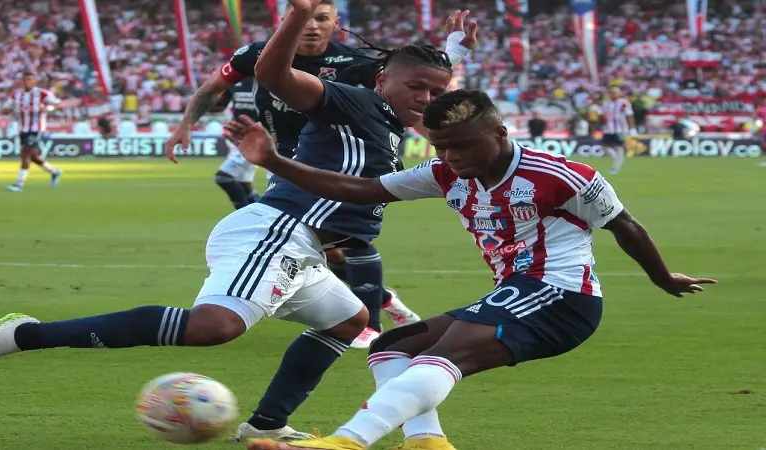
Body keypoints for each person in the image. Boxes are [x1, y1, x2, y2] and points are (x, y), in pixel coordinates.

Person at [0, 0, 474, 445]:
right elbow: (276, 78)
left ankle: (267, 425)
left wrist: (454, 45)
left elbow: (435, 81)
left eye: (436, 92)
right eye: (417, 89)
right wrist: (297, 17)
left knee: (349, 321)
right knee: (215, 327)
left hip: (306, 250)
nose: (427, 100)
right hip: (277, 230)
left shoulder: (391, 121)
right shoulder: (355, 101)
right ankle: (21, 336)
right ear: (382, 81)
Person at [220, 89, 718, 450]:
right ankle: (425, 442)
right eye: (441, 146)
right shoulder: (443, 173)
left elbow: (625, 225)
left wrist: (663, 277)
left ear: (499, 133)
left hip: (561, 297)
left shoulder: (560, 174)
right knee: (393, 345)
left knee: (447, 351)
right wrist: (274, 161)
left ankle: (349, 443)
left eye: (463, 145)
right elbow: (362, 190)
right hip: (519, 292)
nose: (452, 157)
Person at [163, 0, 448, 350]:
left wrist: (441, 135)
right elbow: (212, 89)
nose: (312, 26)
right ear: (285, 19)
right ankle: (377, 308)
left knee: (344, 237)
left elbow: (411, 88)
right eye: (304, 16)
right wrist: (185, 125)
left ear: (335, 23)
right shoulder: (256, 54)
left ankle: (371, 319)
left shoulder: (352, 62)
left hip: (328, 160)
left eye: (322, 18)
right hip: (277, 156)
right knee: (323, 245)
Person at [3, 72, 64, 192]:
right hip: (22, 128)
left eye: (29, 80)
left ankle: (19, 184)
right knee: (34, 157)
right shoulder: (16, 94)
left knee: (25, 153)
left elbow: (60, 105)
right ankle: (54, 172)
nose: (26, 82)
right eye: (24, 80)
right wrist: (7, 109)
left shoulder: (42, 94)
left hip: (36, 129)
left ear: (34, 82)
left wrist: (47, 108)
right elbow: (5, 108)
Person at [214, 77, 263, 209]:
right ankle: (257, 210)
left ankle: (243, 214)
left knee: (223, 177)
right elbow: (219, 105)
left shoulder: (268, 82)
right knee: (243, 184)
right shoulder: (235, 84)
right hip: (237, 140)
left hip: (257, 140)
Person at [600, 87, 636, 175]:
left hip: (620, 128)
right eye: (611, 92)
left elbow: (629, 115)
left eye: (614, 92)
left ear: (619, 94)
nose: (612, 94)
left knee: (619, 147)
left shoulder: (624, 103)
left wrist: (632, 128)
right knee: (605, 146)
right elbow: (603, 115)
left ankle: (615, 168)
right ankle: (618, 159)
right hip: (608, 129)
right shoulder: (605, 103)